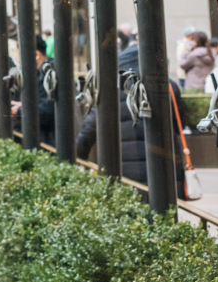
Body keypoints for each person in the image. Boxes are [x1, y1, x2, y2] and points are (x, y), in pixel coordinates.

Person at [74, 44, 186, 196]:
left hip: (125, 171)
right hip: (165, 168)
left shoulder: (109, 89)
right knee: (164, 216)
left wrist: (79, 154)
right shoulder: (168, 86)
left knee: (132, 214)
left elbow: (90, 128)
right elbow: (180, 124)